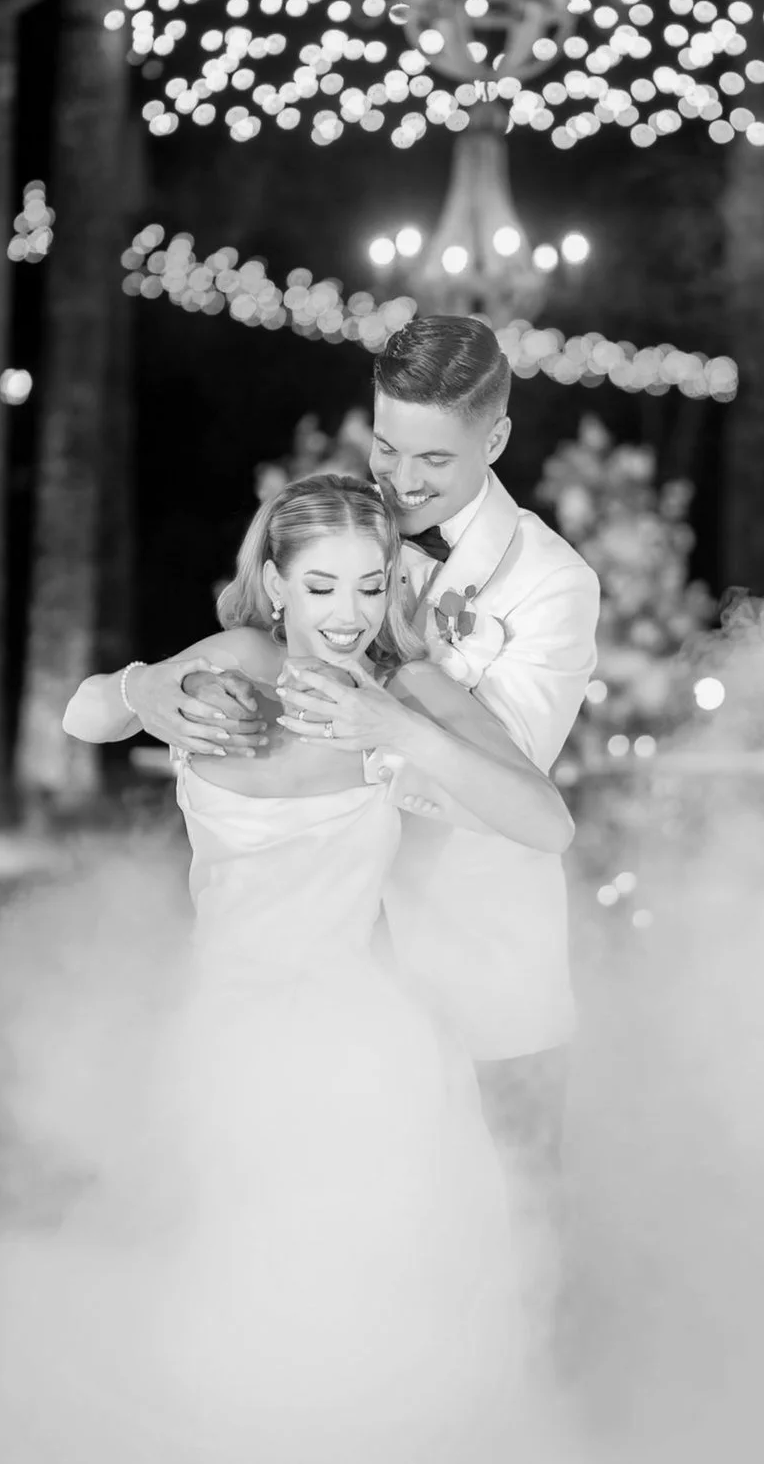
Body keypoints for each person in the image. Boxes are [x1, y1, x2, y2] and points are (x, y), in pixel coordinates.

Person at [43, 471, 577, 1459]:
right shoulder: (236, 660)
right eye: (322, 586)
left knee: (366, 1311)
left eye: (370, 586)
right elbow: (81, 717)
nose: (347, 612)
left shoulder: (408, 687)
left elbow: (545, 821)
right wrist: (141, 689)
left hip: (358, 1042)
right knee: (224, 1298)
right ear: (277, 584)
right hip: (225, 1025)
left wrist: (399, 732)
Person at [118, 318, 601, 1200]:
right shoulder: (342, 522)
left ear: (493, 439)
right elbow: (258, 635)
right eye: (387, 448)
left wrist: (381, 725)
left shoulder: (552, 581)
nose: (402, 481)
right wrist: (146, 685)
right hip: (326, 962)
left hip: (475, 959)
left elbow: (513, 782)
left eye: (433, 461)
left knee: (513, 1227)